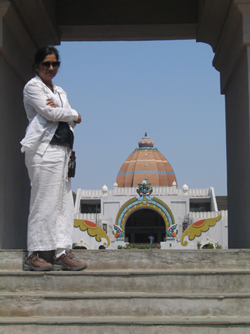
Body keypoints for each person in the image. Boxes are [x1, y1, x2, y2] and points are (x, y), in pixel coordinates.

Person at [21, 46, 87, 271]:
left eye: (55, 64)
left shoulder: (59, 91)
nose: (51, 68)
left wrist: (62, 111)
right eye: (46, 64)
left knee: (63, 203)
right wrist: (73, 113)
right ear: (37, 65)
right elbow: (52, 114)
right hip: (44, 151)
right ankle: (34, 253)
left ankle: (61, 251)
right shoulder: (32, 87)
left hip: (63, 151)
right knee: (43, 201)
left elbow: (60, 114)